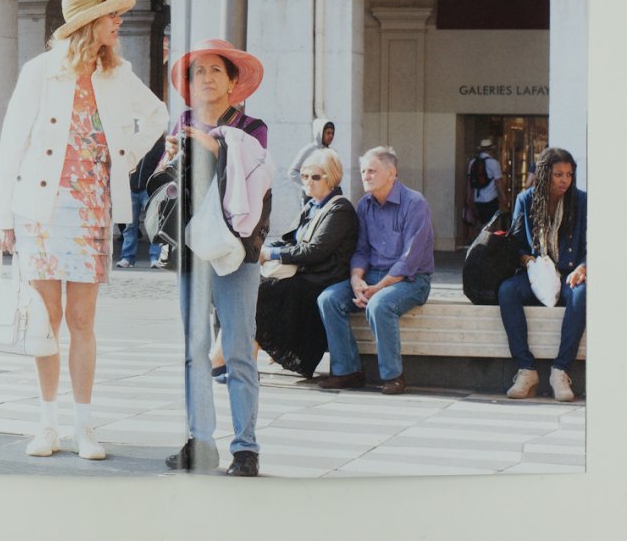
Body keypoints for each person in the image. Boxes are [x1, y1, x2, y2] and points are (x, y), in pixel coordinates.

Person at [0, 0, 168, 461]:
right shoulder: (40, 71)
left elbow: (158, 115)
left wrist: (124, 156)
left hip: (92, 208)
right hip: (40, 210)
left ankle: (85, 427)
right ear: (90, 22)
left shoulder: (117, 73)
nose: (119, 22)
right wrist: (4, 216)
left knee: (82, 320)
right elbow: (12, 142)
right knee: (46, 321)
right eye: (113, 15)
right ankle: (47, 424)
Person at [162, 39, 269, 477]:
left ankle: (246, 448)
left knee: (239, 350)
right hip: (191, 249)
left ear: (232, 81)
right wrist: (169, 159)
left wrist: (214, 147)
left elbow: (255, 183)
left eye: (214, 71)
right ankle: (201, 443)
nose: (205, 78)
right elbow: (166, 184)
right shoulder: (180, 124)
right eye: (198, 71)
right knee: (194, 350)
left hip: (237, 251)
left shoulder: (252, 128)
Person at [316, 146, 434, 395]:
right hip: (373, 277)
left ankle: (394, 377)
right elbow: (361, 250)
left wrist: (377, 288)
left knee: (379, 305)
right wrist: (356, 279)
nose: (365, 176)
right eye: (363, 171)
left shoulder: (415, 203)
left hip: (411, 280)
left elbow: (409, 260)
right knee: (328, 299)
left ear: (391, 173)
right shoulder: (364, 205)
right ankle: (347, 372)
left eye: (372, 171)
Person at [255, 147, 358, 381]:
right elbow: (291, 240)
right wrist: (263, 249)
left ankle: (248, 359)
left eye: (315, 177)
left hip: (323, 278)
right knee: (256, 286)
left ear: (331, 178)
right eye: (304, 176)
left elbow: (314, 252)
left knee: (265, 292)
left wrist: (270, 254)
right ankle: (249, 354)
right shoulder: (312, 205)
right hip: (306, 274)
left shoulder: (340, 209)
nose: (307, 181)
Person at [499, 147, 586, 402]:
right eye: (558, 174)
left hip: (569, 273)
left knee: (581, 295)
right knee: (507, 290)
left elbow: (595, 242)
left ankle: (561, 370)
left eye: (569, 174)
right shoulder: (526, 200)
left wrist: (583, 267)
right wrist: (528, 261)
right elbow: (515, 244)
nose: (564, 180)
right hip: (536, 275)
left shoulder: (581, 201)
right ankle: (526, 370)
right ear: (545, 174)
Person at [116, 134, 166, 268]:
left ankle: (155, 257)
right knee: (129, 226)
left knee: (154, 225)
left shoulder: (160, 144)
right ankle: (127, 257)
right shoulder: (133, 139)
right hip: (131, 188)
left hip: (149, 190)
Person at [287, 118, 335, 204]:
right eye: (328, 133)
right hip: (310, 198)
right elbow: (292, 173)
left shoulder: (332, 152)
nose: (331, 136)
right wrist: (310, 183)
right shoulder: (309, 150)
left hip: (327, 197)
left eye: (332, 133)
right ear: (320, 133)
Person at [466, 137, 507, 224]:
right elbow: (498, 182)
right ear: (491, 150)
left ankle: (482, 233)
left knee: (481, 223)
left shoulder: (472, 162)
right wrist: (504, 198)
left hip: (477, 199)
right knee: (492, 224)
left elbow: (469, 182)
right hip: (491, 198)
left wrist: (469, 197)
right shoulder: (494, 163)